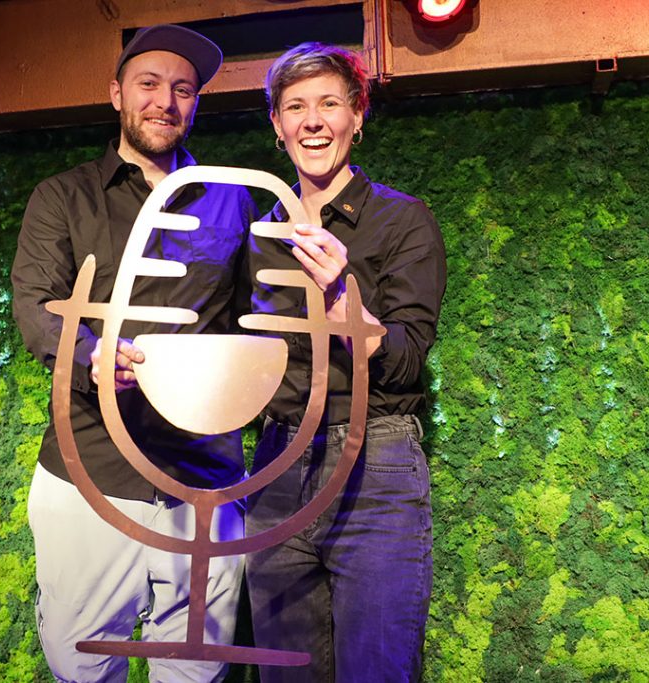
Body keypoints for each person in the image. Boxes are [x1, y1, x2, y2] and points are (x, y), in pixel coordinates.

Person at [11, 24, 255, 683]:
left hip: (202, 473)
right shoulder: (63, 197)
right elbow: (35, 305)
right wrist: (88, 353)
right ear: (116, 92)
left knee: (196, 667)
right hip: (90, 468)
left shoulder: (230, 199)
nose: (165, 101)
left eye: (183, 89)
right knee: (84, 663)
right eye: (148, 84)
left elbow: (248, 321)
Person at [244, 43, 447, 682]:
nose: (313, 120)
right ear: (276, 126)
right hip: (277, 470)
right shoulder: (259, 235)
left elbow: (409, 358)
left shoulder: (400, 220)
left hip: (375, 467)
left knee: (379, 671)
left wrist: (341, 297)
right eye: (295, 106)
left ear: (357, 117)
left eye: (330, 103)